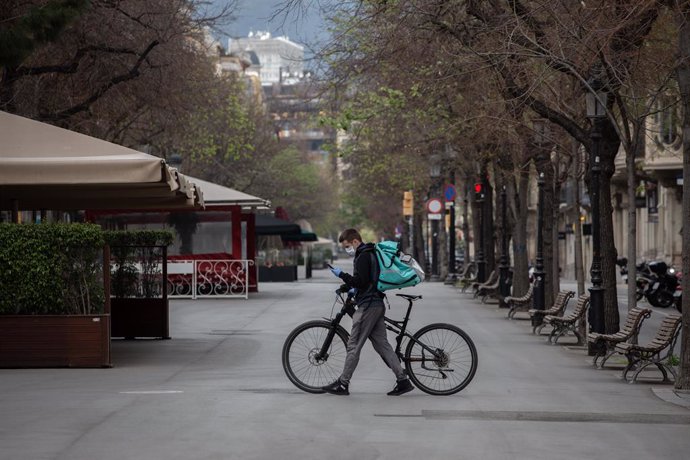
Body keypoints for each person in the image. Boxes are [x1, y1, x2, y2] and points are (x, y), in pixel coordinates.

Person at [322, 228, 413, 396]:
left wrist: (341, 275)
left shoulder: (363, 256)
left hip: (368, 306)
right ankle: (403, 381)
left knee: (354, 345)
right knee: (382, 345)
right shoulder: (369, 253)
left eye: (347, 246)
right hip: (376, 303)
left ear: (355, 241)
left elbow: (361, 282)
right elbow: (366, 281)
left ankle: (343, 384)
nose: (347, 250)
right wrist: (350, 288)